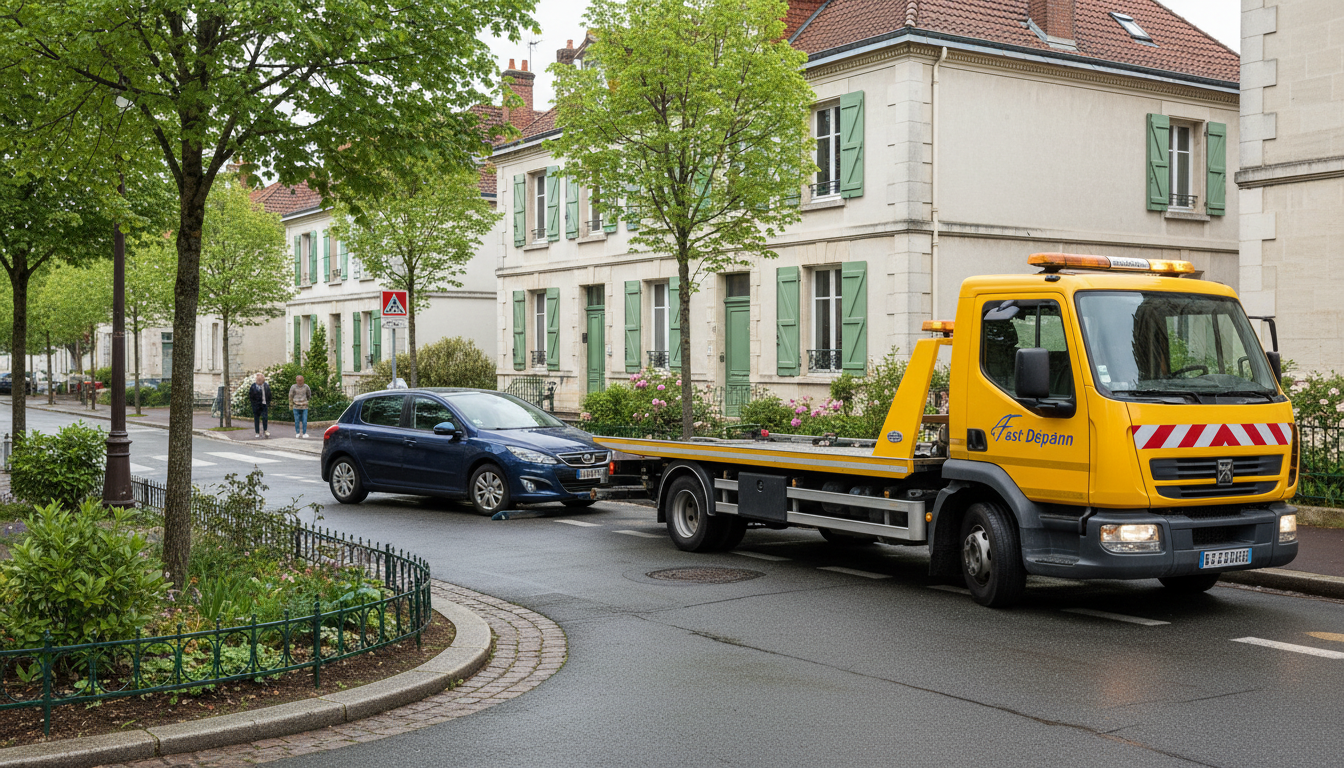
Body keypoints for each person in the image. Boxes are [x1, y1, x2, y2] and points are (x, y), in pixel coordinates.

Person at [248, 372, 272, 438]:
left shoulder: (266, 386)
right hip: (256, 405)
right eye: (259, 380)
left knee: (265, 417)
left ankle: (265, 430)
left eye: (261, 380)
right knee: (256, 419)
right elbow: (251, 396)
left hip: (264, 404)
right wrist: (253, 404)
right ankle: (257, 432)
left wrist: (268, 403)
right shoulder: (253, 386)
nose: (260, 382)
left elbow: (269, 395)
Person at [289, 374, 311, 438]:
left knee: (304, 420)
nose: (300, 382)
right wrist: (291, 405)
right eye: (298, 380)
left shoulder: (306, 387)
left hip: (304, 406)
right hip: (296, 406)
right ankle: (297, 433)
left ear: (303, 380)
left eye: (301, 380)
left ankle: (304, 433)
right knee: (297, 420)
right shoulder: (293, 387)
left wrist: (306, 401)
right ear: (296, 380)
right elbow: (290, 396)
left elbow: (309, 395)